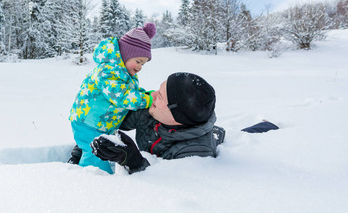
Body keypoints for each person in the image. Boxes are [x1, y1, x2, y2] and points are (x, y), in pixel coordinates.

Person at [88, 72, 279, 174]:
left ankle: (265, 126)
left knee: (233, 135)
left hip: (205, 136)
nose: (153, 95)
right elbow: (116, 121)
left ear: (176, 115)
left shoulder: (196, 150)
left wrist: (133, 161)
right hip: (189, 127)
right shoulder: (153, 110)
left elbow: (171, 181)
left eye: (160, 96)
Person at [68, 23, 157, 174]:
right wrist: (146, 100)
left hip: (100, 123)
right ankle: (92, 182)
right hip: (88, 122)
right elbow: (121, 96)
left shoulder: (124, 74)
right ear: (126, 54)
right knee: (95, 156)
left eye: (143, 63)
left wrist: (145, 94)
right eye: (138, 61)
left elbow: (129, 91)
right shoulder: (108, 72)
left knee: (97, 151)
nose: (140, 66)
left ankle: (79, 163)